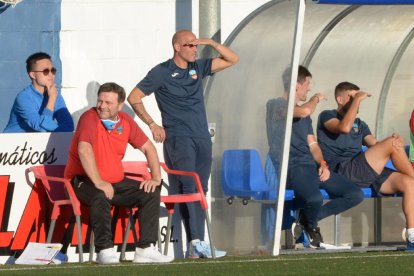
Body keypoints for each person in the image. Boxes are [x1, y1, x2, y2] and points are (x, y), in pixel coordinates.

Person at [127, 29, 239, 258]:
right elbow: (134, 97)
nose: (195, 49)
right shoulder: (162, 72)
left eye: (196, 45)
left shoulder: (197, 67)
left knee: (200, 189)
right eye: (190, 45)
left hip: (201, 136)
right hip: (179, 137)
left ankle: (195, 246)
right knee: (189, 187)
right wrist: (152, 124)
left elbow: (232, 59)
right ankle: (197, 242)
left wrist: (211, 43)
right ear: (177, 47)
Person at [64, 82, 173, 264]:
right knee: (100, 195)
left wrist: (155, 177)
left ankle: (145, 249)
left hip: (115, 182)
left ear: (120, 106)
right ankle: (104, 250)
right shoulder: (89, 118)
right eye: (100, 101)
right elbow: (84, 150)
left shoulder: (125, 121)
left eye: (108, 103)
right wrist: (98, 181)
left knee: (151, 191)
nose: (102, 106)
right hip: (83, 182)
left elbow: (149, 148)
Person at [317, 81, 414, 250]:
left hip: (363, 169)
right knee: (392, 147)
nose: (357, 100)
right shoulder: (327, 116)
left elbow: (374, 143)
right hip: (343, 171)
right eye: (352, 97)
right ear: (340, 99)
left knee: (409, 183)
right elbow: (344, 128)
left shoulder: (360, 124)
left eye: (357, 96)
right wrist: (358, 100)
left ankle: (412, 236)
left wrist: (394, 142)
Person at [276, 66, 363, 248]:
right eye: (307, 84)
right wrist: (315, 99)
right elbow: (305, 111)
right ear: (297, 85)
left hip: (311, 167)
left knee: (355, 194)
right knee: (315, 199)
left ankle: (307, 221)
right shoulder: (276, 105)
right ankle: (312, 225)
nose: (309, 89)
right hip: (291, 167)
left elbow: (313, 145)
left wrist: (322, 163)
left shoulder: (304, 117)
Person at [3, 52, 74, 133]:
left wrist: (53, 97)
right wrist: (51, 99)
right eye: (46, 71)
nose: (51, 74)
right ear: (33, 75)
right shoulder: (24, 98)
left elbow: (69, 126)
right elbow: (41, 128)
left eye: (53, 70)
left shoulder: (55, 95)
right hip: (12, 143)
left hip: (36, 143)